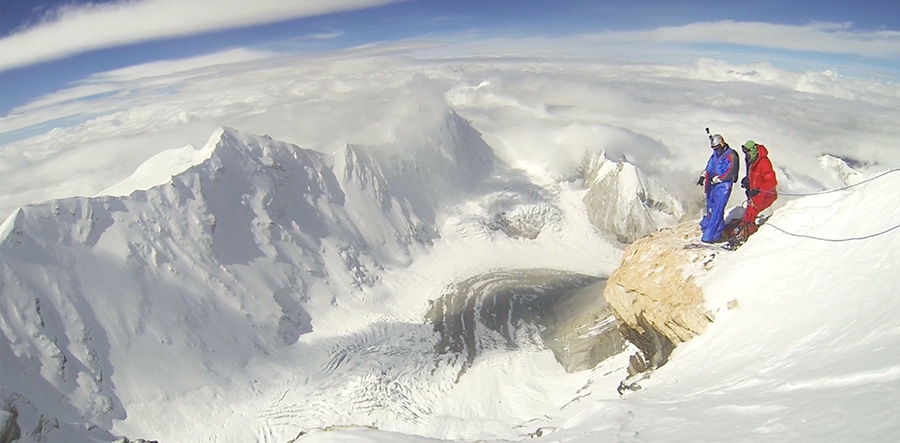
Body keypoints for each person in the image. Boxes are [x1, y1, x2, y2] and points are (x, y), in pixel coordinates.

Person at [697, 134, 739, 243]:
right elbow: (710, 166)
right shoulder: (715, 154)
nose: (716, 150)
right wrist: (703, 175)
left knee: (717, 210)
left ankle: (709, 236)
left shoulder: (731, 155)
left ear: (722, 143)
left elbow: (731, 171)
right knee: (711, 208)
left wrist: (719, 179)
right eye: (714, 148)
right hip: (712, 185)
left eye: (717, 148)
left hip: (723, 186)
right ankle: (716, 231)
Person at [739, 140, 777, 234]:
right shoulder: (752, 161)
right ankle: (742, 232)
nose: (746, 155)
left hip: (765, 195)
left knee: (751, 214)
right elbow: (754, 176)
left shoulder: (764, 162)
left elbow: (772, 181)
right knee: (748, 214)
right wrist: (747, 180)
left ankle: (747, 235)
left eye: (747, 152)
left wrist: (759, 189)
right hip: (755, 194)